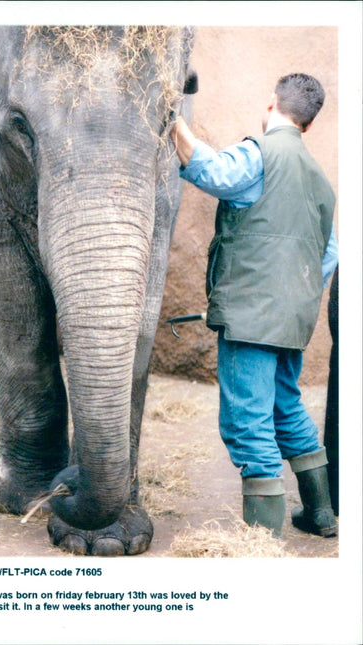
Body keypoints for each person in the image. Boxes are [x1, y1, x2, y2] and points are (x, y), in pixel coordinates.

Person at [170, 73, 338, 538]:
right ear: (309, 123)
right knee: (286, 406)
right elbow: (329, 256)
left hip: (253, 320)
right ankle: (321, 514)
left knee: (248, 419)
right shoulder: (321, 180)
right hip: (292, 319)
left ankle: (262, 542)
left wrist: (172, 120)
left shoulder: (261, 152)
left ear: (271, 104)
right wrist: (287, 297)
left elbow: (212, 172)